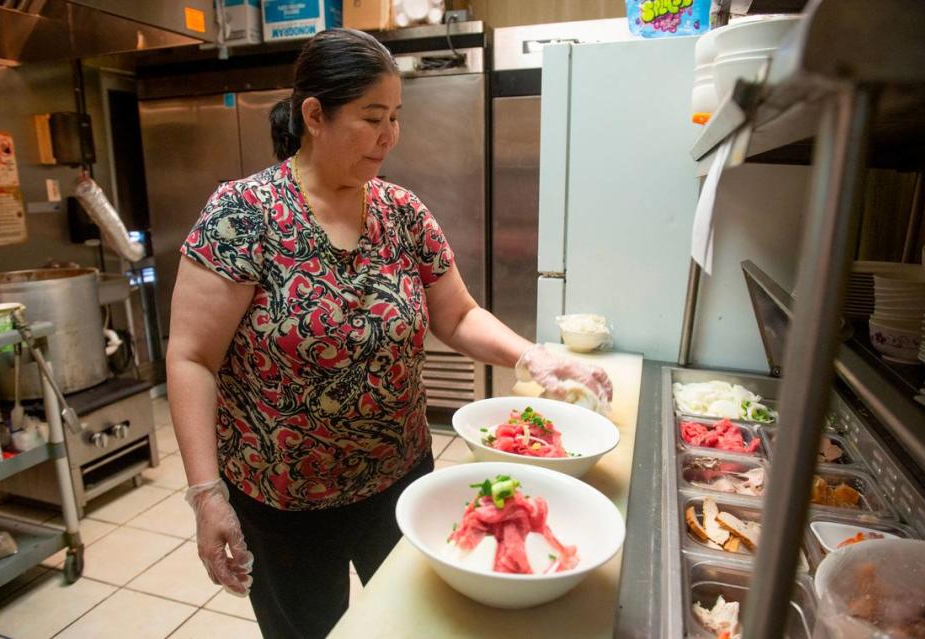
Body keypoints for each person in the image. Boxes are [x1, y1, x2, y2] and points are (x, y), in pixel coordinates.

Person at [166, 28, 613, 639]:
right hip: (281, 497)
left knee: (414, 624)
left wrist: (535, 356)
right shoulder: (241, 215)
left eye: (396, 117)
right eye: (373, 117)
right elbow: (192, 357)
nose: (390, 136)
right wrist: (205, 493)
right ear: (315, 115)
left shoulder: (401, 211)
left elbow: (455, 314)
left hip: (398, 481)